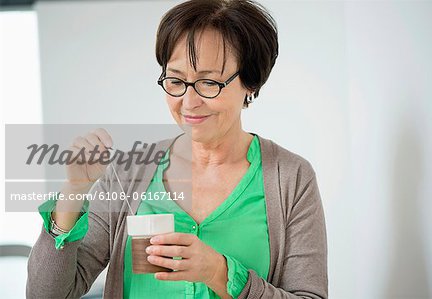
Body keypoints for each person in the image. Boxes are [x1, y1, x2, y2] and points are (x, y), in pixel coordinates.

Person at [27, 0, 328, 298]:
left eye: (208, 82)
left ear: (250, 82)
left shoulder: (290, 178)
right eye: (176, 80)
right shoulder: (128, 172)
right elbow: (47, 294)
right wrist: (74, 191)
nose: (189, 101)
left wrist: (218, 273)